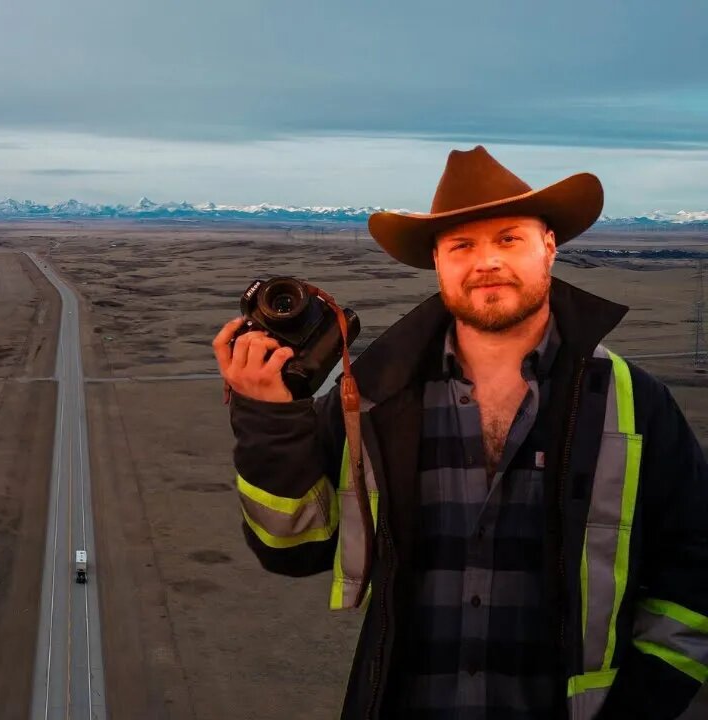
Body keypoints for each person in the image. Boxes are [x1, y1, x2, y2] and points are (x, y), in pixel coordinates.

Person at [212, 145, 708, 719]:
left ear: (549, 246)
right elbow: (292, 549)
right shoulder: (373, 400)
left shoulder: (634, 403)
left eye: (509, 239)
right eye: (462, 245)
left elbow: (694, 573)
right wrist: (268, 419)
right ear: (437, 262)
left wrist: (637, 708)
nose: (486, 262)